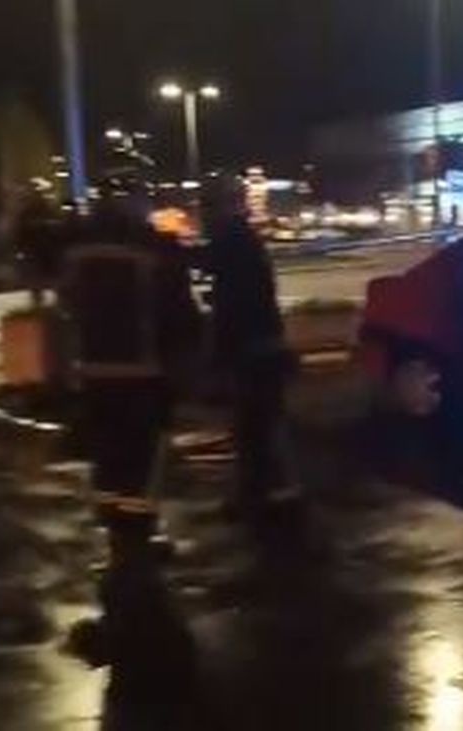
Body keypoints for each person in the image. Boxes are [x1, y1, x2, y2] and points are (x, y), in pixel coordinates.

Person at [60, 190, 202, 559]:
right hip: (143, 373)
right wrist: (187, 369)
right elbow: (180, 316)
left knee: (107, 453)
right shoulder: (154, 254)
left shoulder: (78, 257)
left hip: (92, 374)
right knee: (141, 458)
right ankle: (139, 534)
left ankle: (114, 530)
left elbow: (66, 311)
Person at [203, 179, 302, 521]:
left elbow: (230, 301)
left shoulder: (231, 239)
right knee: (263, 422)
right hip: (262, 344)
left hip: (251, 348)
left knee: (254, 425)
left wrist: (218, 355)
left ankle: (266, 495)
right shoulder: (244, 239)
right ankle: (274, 491)